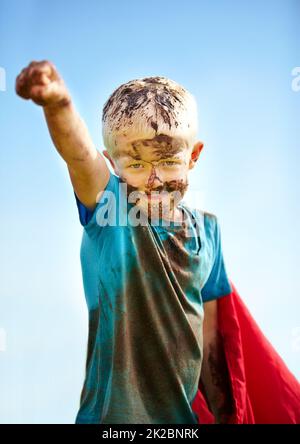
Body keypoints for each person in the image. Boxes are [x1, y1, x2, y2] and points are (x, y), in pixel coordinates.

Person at [15, 61, 236, 424]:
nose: (152, 179)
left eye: (167, 160)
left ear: (193, 156)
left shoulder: (208, 232)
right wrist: (58, 104)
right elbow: (79, 155)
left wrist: (227, 417)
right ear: (112, 164)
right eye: (134, 164)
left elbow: (212, 339)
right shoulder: (110, 209)